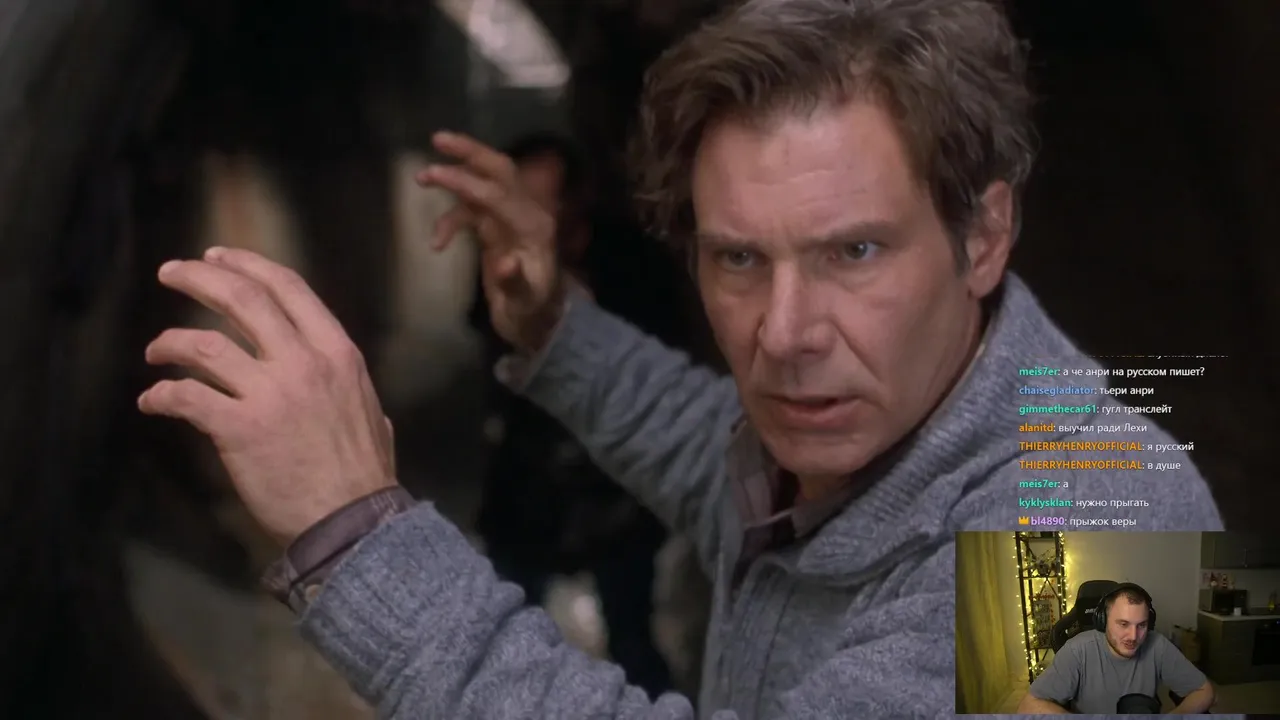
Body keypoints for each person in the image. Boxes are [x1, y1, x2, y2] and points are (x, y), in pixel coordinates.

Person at [137, 0, 1227, 716]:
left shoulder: (1123, 532)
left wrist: (357, 537)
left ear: (983, 235)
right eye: (737, 258)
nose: (783, 333)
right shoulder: (879, 427)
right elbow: (704, 447)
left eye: (854, 251)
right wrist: (552, 324)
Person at [471, 132, 676, 697]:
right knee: (504, 640)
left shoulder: (629, 258)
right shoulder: (501, 262)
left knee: (632, 642)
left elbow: (661, 367)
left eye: (545, 198)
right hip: (528, 487)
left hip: (618, 489)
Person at [1018, 584, 1215, 714]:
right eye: (1123, 624)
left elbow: (1204, 690)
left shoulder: (1158, 645)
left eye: (1142, 625)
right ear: (1103, 621)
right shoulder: (1077, 651)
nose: (1133, 636)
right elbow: (1029, 706)